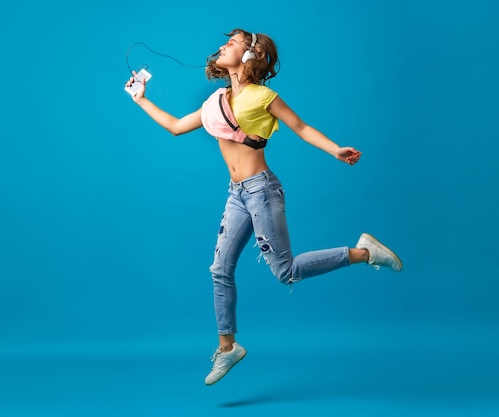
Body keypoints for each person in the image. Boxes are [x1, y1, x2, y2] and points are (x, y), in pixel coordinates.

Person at [125, 29, 402, 386]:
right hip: (236, 193)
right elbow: (177, 126)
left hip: (262, 192)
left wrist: (335, 149)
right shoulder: (215, 100)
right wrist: (140, 99)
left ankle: (365, 252)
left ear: (250, 56)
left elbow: (300, 127)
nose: (223, 45)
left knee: (285, 271)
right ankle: (228, 348)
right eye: (225, 42)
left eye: (233, 43)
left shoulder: (262, 96)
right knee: (219, 269)